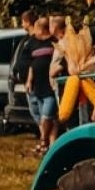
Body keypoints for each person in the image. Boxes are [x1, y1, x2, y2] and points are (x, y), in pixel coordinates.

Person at [24, 17, 59, 154]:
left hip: (49, 86)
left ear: (41, 29)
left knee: (47, 116)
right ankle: (49, 146)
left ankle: (43, 142)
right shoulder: (34, 43)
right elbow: (32, 65)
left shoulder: (54, 42)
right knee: (44, 117)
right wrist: (29, 80)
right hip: (37, 86)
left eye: (36, 29)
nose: (34, 33)